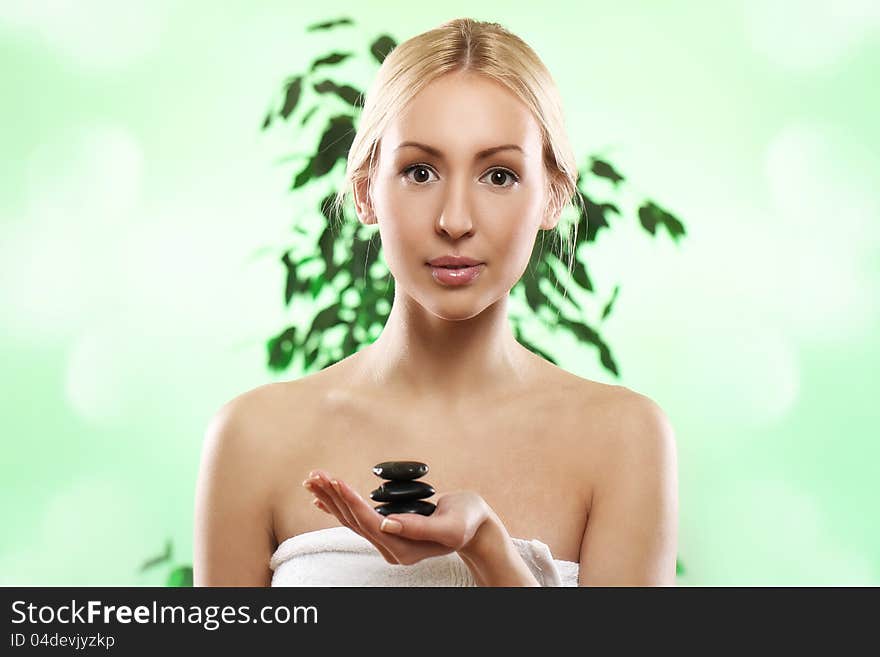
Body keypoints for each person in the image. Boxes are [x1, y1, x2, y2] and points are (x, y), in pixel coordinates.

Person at [193, 17, 678, 587]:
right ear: (365, 189)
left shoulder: (624, 439)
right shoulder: (252, 438)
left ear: (552, 197)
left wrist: (489, 551)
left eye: (498, 175)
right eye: (420, 171)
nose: (455, 220)